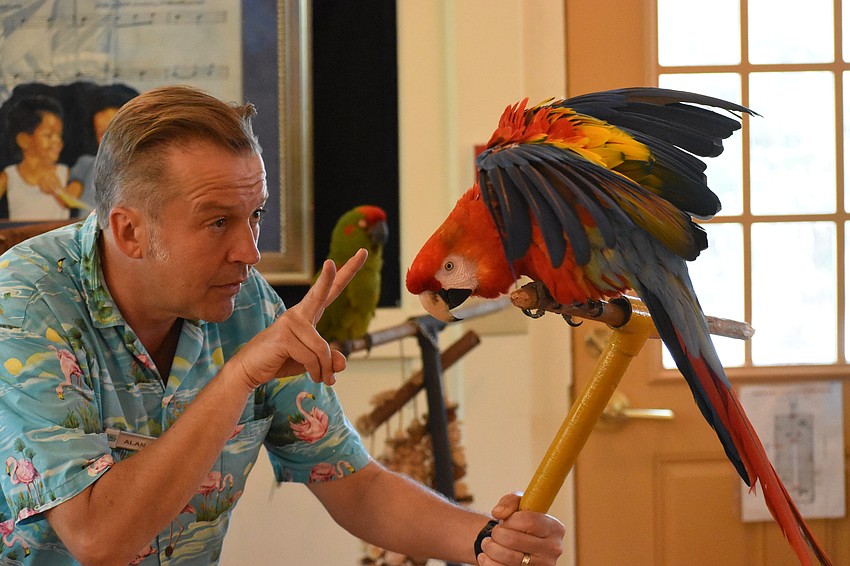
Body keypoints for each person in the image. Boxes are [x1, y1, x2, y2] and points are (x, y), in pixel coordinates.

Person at [0, 85, 565, 565]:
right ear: (128, 232)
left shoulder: (244, 301)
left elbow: (356, 486)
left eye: (257, 216)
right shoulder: (23, 304)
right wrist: (238, 377)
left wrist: (486, 539)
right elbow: (99, 538)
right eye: (218, 221)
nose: (250, 252)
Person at [0, 94, 84, 219]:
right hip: (23, 238)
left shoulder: (66, 175)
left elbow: (77, 205)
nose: (58, 141)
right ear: (24, 140)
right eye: (49, 135)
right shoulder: (9, 176)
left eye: (59, 135)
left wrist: (58, 190)